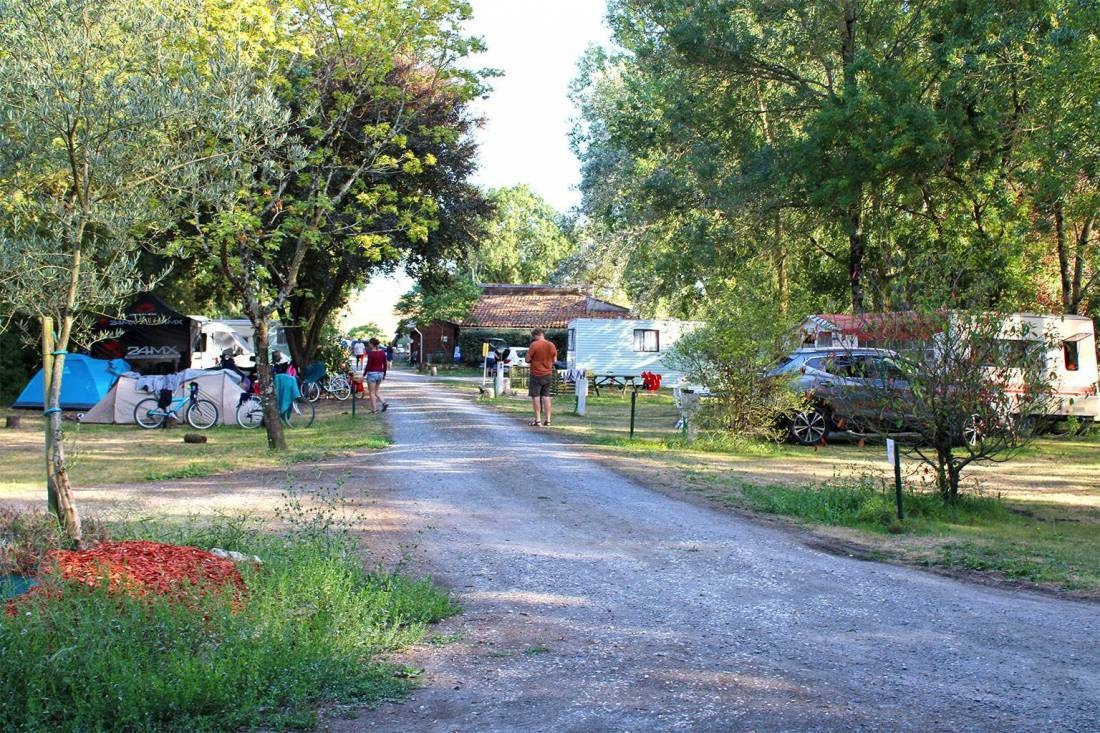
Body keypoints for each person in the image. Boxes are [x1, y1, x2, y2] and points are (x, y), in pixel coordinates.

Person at [526, 328, 557, 427]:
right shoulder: (551, 345)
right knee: (546, 396)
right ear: (543, 334)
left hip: (536, 374)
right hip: (548, 374)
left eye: (533, 337)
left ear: (536, 335)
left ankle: (538, 420)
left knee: (535, 396)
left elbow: (527, 359)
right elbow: (554, 360)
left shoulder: (534, 344)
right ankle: (548, 420)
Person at [364, 338, 389, 413]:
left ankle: (374, 410)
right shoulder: (382, 352)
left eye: (369, 343)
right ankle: (384, 403)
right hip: (380, 374)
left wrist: (364, 374)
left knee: (371, 392)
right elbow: (385, 364)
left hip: (372, 374)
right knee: (376, 391)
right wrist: (384, 374)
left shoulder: (371, 353)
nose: (368, 345)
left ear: (372, 344)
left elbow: (368, 365)